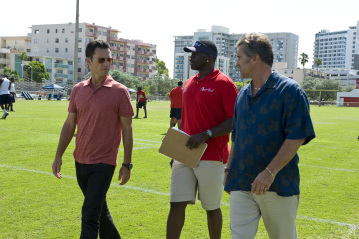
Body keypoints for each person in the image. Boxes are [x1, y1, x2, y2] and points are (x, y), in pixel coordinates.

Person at [224, 33, 316, 239]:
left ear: (254, 58)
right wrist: (229, 169)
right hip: (241, 183)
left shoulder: (290, 91)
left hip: (278, 185)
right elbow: (236, 136)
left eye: (239, 57)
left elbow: (297, 136)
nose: (236, 63)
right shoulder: (242, 94)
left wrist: (269, 172)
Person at [52, 40, 134, 239]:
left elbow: (127, 129)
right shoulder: (78, 89)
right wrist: (58, 156)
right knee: (100, 211)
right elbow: (70, 124)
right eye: (101, 59)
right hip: (80, 161)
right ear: (88, 61)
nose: (106, 63)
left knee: (89, 214)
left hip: (104, 163)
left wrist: (127, 164)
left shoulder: (120, 91)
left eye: (109, 59)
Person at [166, 40, 238, 239]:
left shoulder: (224, 83)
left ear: (209, 58)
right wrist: (176, 151)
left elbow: (234, 120)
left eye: (195, 54)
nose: (191, 57)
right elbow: (186, 121)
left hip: (212, 156)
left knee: (212, 207)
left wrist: (206, 134)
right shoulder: (189, 83)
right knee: (176, 204)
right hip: (184, 155)